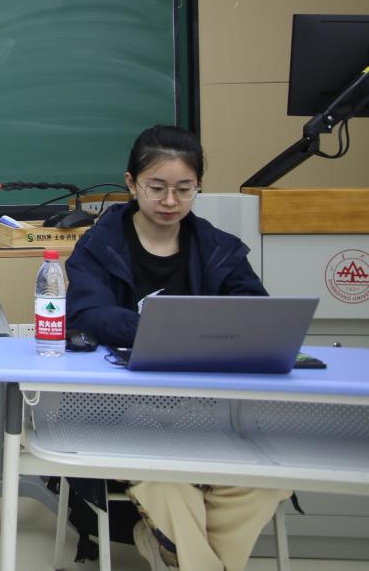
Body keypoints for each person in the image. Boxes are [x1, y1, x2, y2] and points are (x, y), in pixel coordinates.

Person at [66, 124, 288, 571]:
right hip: (124, 412)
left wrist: (192, 329)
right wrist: (167, 327)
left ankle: (167, 547)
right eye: (157, 188)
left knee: (265, 482)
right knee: (166, 481)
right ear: (131, 184)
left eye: (185, 190)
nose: (171, 201)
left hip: (210, 413)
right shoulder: (98, 247)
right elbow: (87, 315)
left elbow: (255, 313)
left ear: (198, 186)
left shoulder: (218, 248)